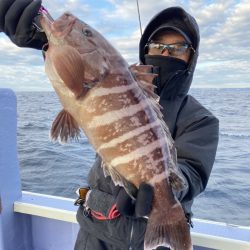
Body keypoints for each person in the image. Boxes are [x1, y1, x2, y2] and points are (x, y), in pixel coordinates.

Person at [0, 1, 219, 249]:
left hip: (147, 242)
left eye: (178, 47)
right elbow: (80, 72)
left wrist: (166, 193)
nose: (166, 53)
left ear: (192, 58)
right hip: (93, 233)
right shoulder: (117, 82)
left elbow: (192, 172)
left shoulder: (202, 119)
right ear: (146, 49)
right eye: (158, 46)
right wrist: (41, 35)